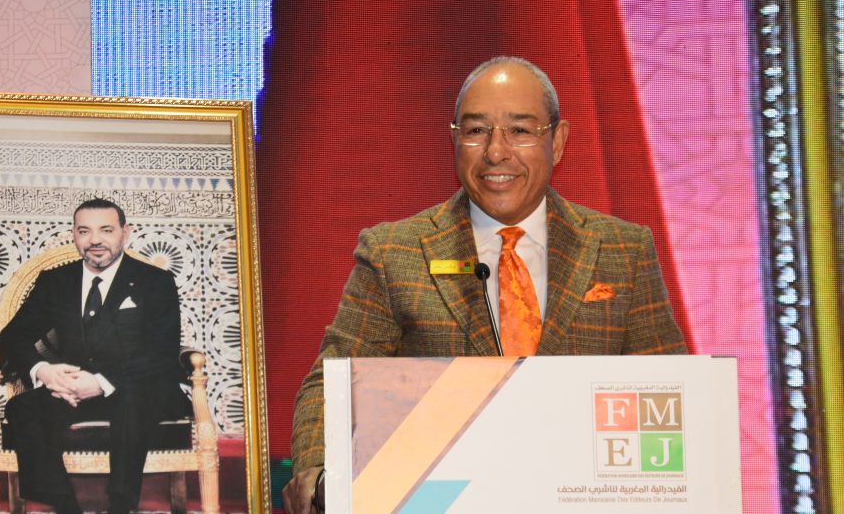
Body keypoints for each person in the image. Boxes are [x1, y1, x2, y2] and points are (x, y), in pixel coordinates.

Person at [281, 56, 688, 513]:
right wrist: (319, 472)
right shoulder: (393, 253)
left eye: (519, 130)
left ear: (557, 142)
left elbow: (671, 390)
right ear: (455, 140)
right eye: (476, 131)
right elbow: (332, 382)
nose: (496, 152)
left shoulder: (623, 251)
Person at [0, 198, 187, 514]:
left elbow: (161, 352)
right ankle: (65, 506)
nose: (95, 240)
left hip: (137, 388)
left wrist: (101, 382)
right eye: (84, 231)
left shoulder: (155, 282)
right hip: (71, 389)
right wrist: (44, 371)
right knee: (23, 408)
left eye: (106, 230)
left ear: (125, 232)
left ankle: (120, 506)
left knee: (132, 402)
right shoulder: (55, 281)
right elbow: (12, 337)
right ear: (73, 234)